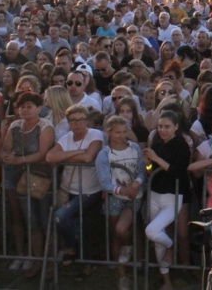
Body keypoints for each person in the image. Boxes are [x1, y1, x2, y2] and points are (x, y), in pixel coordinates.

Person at [0, 92, 55, 278]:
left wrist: (18, 160)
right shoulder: (14, 125)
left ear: (39, 108)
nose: (24, 110)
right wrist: (5, 156)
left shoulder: (45, 126)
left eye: (29, 106)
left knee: (46, 221)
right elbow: (6, 148)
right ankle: (38, 262)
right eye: (21, 106)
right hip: (21, 180)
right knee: (31, 221)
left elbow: (42, 153)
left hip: (42, 180)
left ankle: (51, 263)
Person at [46, 104, 104, 268]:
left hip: (89, 191)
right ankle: (79, 255)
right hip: (68, 189)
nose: (77, 124)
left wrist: (63, 158)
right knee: (75, 224)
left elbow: (89, 158)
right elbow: (50, 157)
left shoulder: (96, 134)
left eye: (81, 120)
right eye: (73, 120)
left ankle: (72, 250)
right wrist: (77, 153)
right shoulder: (66, 137)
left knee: (61, 216)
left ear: (87, 121)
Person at [95, 115, 145, 290]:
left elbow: (141, 170)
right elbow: (104, 182)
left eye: (124, 132)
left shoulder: (135, 148)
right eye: (117, 132)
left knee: (121, 229)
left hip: (133, 198)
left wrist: (137, 183)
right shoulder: (104, 154)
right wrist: (122, 190)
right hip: (114, 197)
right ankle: (122, 275)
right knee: (116, 235)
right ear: (109, 132)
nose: (121, 136)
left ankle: (130, 249)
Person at [143, 111, 192, 290]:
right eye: (160, 127)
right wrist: (147, 162)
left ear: (176, 127)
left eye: (167, 127)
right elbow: (150, 170)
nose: (163, 130)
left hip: (173, 196)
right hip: (155, 194)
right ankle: (166, 281)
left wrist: (156, 158)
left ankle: (171, 247)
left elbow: (178, 171)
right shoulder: (156, 143)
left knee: (152, 230)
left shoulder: (181, 145)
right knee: (157, 241)